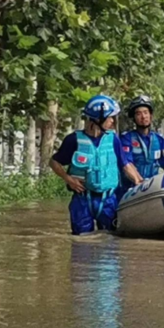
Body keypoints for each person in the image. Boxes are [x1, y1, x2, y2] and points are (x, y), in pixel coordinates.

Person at [49, 95, 142, 235]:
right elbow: (54, 162)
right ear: (98, 119)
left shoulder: (113, 140)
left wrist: (138, 181)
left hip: (108, 200)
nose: (112, 121)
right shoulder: (73, 140)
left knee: (110, 242)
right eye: (110, 117)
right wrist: (68, 179)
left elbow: (125, 164)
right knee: (81, 243)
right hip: (82, 200)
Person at [118, 95, 164, 200]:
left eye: (145, 112)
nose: (143, 116)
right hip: (130, 190)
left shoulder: (159, 139)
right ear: (134, 118)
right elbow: (127, 162)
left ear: (151, 116)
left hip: (153, 189)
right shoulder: (126, 138)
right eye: (138, 114)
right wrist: (138, 181)